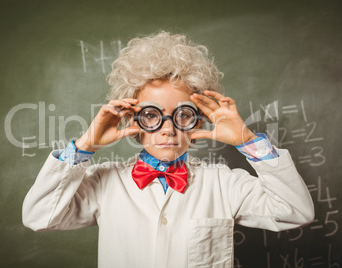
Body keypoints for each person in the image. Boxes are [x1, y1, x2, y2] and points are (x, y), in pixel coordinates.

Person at [22, 31, 314, 268]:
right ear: (132, 118)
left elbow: (295, 211)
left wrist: (246, 140)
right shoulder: (103, 182)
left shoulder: (224, 183)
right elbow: (39, 216)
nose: (167, 128)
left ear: (199, 119)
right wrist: (86, 145)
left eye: (182, 114)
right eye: (151, 114)